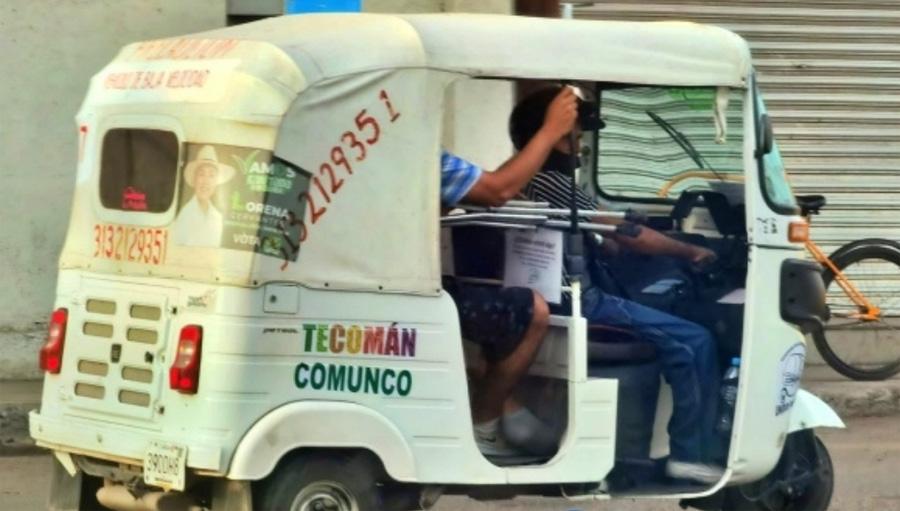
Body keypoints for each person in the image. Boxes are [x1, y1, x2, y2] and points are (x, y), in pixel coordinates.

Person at [512, 86, 724, 484]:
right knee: (695, 341)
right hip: (579, 303)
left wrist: (608, 238)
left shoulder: (529, 180)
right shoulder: (550, 182)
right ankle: (689, 455)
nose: (579, 147)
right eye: (574, 137)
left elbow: (601, 233)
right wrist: (689, 251)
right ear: (553, 137)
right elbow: (629, 234)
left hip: (553, 296)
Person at [441, 87, 578, 458]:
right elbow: (497, 189)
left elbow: (488, 189)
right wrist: (551, 130)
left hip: (424, 283)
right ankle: (484, 427)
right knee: (533, 309)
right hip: (416, 290)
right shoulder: (427, 160)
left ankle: (502, 404)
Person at [172, 145, 235, 247]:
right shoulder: (184, 214)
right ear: (194, 179)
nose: (206, 181)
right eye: (201, 174)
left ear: (216, 182)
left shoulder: (217, 217)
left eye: (211, 175)